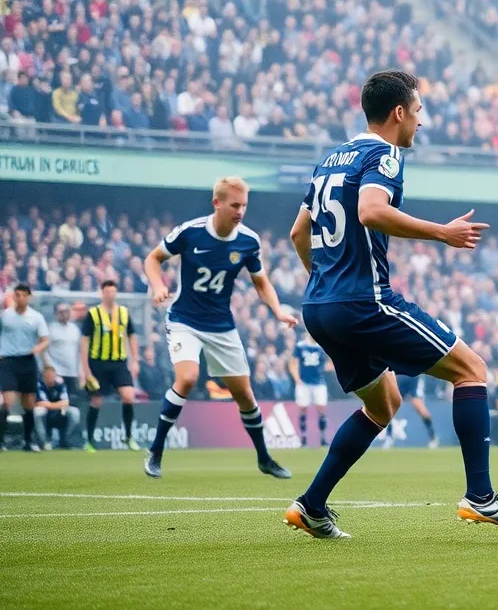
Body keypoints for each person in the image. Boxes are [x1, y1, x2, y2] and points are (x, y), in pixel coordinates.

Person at [284, 70, 498, 538]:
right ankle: (480, 496)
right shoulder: (384, 154)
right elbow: (371, 212)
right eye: (418, 111)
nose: (421, 121)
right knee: (473, 370)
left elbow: (299, 233)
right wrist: (442, 232)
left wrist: (324, 283)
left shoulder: (329, 160)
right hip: (364, 301)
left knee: (383, 404)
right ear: (399, 113)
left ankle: (312, 505)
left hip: (319, 305)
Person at [143, 177, 296, 479]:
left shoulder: (248, 241)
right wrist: (158, 285)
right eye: (234, 205)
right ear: (217, 203)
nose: (240, 211)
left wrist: (277, 310)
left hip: (221, 326)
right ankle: (156, 451)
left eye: (244, 206)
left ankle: (264, 458)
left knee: (245, 396)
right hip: (185, 320)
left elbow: (260, 281)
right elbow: (153, 258)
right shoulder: (191, 232)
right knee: (187, 378)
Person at [78, 280, 140, 451]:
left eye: (113, 292)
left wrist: (135, 360)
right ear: (102, 293)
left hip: (119, 362)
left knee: (128, 396)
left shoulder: (123, 312)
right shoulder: (94, 313)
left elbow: (132, 335)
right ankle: (89, 440)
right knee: (97, 400)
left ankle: (128, 437)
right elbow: (84, 342)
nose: (110, 295)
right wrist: (86, 369)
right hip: (98, 363)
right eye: (107, 292)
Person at [0, 284, 50, 451]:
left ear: (28, 297)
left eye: (22, 295)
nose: (19, 298)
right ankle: (1, 441)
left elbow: (45, 339)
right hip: (9, 362)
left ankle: (28, 442)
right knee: (7, 401)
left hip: (28, 361)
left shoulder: (36, 317)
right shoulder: (5, 316)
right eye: (17, 295)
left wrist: (38, 348)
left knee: (29, 404)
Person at [290, 330, 330, 448]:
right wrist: (297, 378)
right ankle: (303, 439)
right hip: (304, 382)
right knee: (303, 409)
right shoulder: (301, 346)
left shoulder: (322, 347)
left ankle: (323, 438)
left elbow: (329, 362)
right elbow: (294, 363)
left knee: (321, 409)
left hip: (319, 382)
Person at [34, 365, 78, 449]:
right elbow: (41, 403)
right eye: (48, 377)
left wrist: (52, 405)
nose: (51, 379)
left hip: (59, 410)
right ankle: (43, 441)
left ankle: (65, 438)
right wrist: (58, 404)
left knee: (75, 412)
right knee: (38, 411)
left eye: (52, 376)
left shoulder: (60, 383)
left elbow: (66, 402)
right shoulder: (39, 384)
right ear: (44, 377)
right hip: (45, 410)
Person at [44, 303, 80, 397]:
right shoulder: (50, 329)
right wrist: (50, 369)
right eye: (61, 312)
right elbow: (44, 351)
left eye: (67, 311)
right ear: (56, 314)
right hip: (57, 372)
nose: (64, 314)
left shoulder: (75, 329)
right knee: (56, 400)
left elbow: (79, 350)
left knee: (71, 401)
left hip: (73, 373)